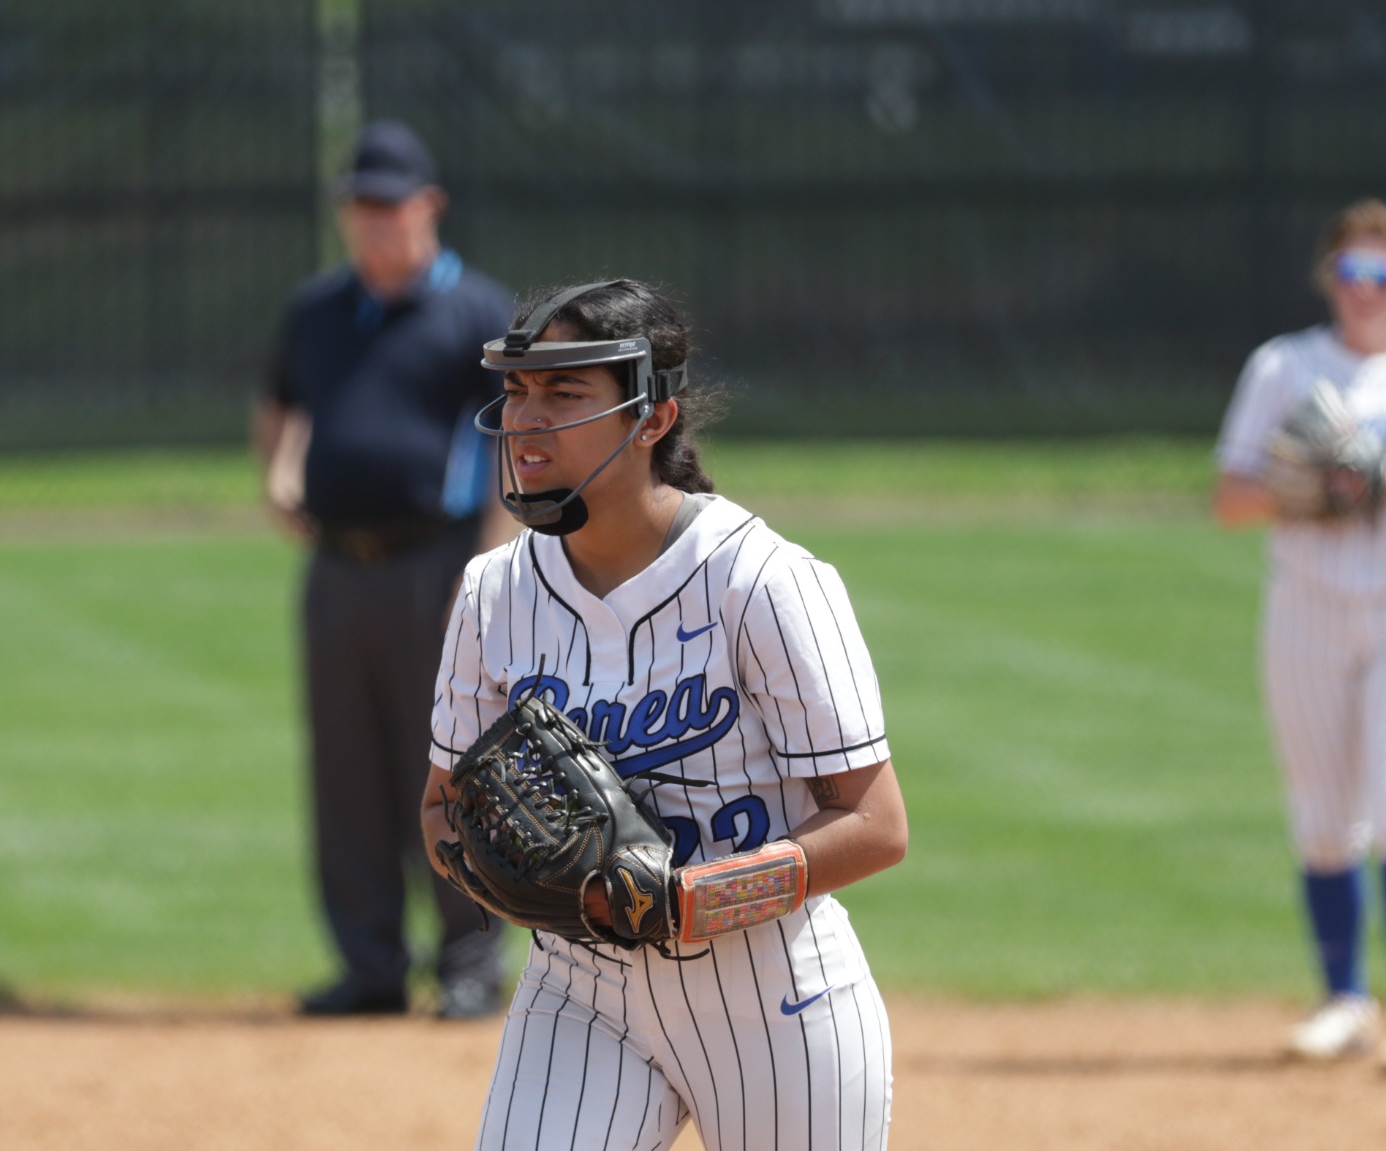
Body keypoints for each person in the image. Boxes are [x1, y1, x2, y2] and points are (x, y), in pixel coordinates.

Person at [421, 279, 907, 1149]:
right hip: (578, 995)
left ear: (652, 418)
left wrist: (690, 900)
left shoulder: (762, 582)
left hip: (772, 1002)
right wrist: (488, 866)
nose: (527, 419)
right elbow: (440, 807)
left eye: (564, 394)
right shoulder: (494, 591)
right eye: (518, 390)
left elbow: (875, 824)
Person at [1214, 199, 1386, 1078]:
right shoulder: (1285, 365)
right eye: (1350, 273)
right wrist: (1318, 492)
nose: (1366, 291)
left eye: (1385, 277)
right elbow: (1232, 497)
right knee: (1323, 817)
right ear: (1329, 279)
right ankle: (1341, 999)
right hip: (1310, 606)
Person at [255, 120, 516, 1020]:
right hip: (338, 566)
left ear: (429, 206)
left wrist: (487, 567)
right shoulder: (319, 309)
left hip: (438, 562)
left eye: (389, 205)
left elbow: (520, 445)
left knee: (452, 761)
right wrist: (279, 476)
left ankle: (470, 960)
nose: (374, 222)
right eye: (360, 206)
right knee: (347, 767)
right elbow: (280, 400)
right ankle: (370, 963)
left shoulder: (477, 311)